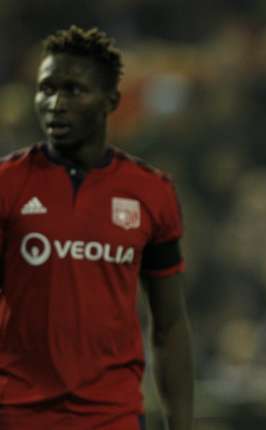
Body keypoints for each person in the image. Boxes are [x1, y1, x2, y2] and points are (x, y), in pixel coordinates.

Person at [0, 26, 193, 429]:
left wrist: (181, 425)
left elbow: (170, 322)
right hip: (18, 414)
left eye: (73, 90)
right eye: (46, 88)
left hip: (112, 417)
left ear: (111, 101)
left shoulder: (151, 193)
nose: (55, 103)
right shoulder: (7, 184)